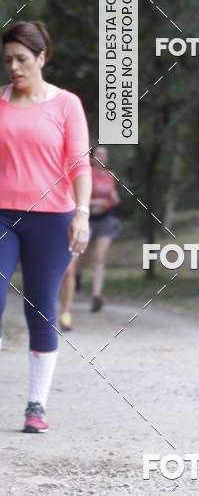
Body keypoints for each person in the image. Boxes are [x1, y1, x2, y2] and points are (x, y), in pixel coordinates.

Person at [0, 21, 91, 433]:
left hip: (52, 219)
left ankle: (36, 405)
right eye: (7, 60)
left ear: (41, 57)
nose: (13, 67)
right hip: (2, 215)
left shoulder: (67, 104)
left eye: (21, 59)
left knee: (40, 307)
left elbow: (79, 165)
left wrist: (83, 213)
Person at [59, 145, 121, 326]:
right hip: (84, 219)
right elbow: (78, 195)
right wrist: (94, 202)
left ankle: (96, 296)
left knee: (100, 256)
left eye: (105, 155)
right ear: (92, 157)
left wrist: (110, 202)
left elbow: (113, 198)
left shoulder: (110, 176)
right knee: (82, 257)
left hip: (104, 220)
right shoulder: (85, 173)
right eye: (99, 154)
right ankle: (77, 276)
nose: (102, 157)